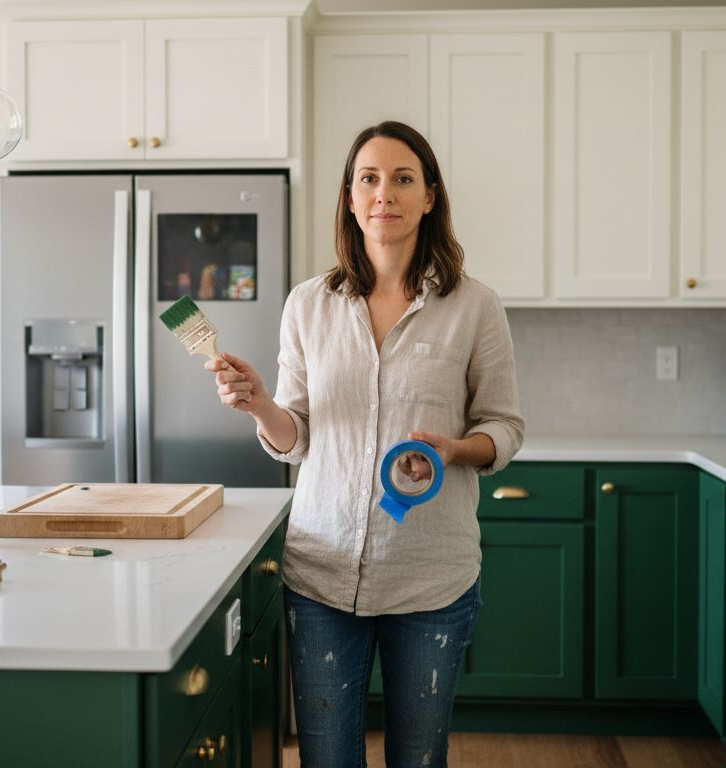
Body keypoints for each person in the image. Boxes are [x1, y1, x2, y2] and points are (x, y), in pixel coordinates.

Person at [202, 120, 524, 768]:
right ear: (350, 198)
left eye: (403, 178)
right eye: (369, 179)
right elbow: (298, 439)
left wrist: (457, 451)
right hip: (322, 577)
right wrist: (262, 405)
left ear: (429, 196)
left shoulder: (474, 306)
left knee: (418, 757)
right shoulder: (308, 305)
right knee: (327, 759)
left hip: (431, 579)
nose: (386, 193)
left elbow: (504, 426)